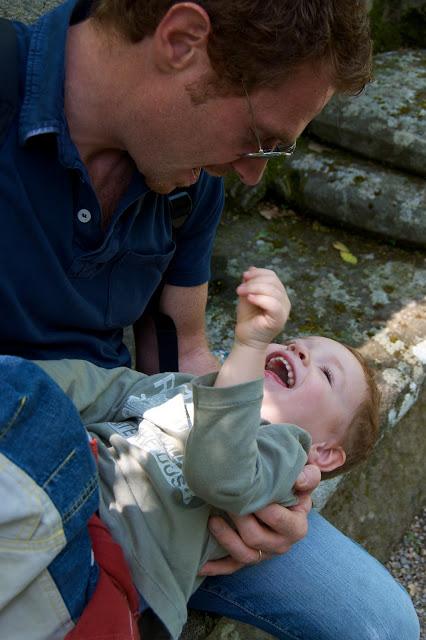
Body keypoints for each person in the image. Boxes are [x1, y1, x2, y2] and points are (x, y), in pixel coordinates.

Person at [0, 0, 420, 638]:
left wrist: (273, 472)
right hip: (22, 453)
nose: (253, 172)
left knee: (378, 619)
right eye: (261, 139)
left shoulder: (188, 183)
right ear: (181, 39)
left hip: (137, 460)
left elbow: (182, 357)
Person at [33, 267, 381, 639]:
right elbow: (101, 387)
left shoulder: (284, 453)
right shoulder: (192, 387)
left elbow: (219, 473)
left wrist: (247, 346)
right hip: (65, 480)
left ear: (323, 453)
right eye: (296, 341)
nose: (297, 349)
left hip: (115, 560)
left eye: (328, 374)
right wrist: (25, 382)